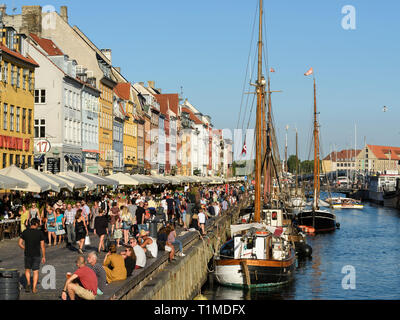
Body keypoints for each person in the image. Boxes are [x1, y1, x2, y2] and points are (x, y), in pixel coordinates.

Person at [18, 218, 46, 294]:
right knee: (35, 271)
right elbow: (43, 246)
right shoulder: (39, 233)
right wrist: (43, 256)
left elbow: (20, 243)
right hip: (36, 254)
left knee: (27, 270)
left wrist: (25, 248)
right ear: (36, 224)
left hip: (27, 254)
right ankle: (34, 288)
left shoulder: (25, 232)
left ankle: (28, 283)